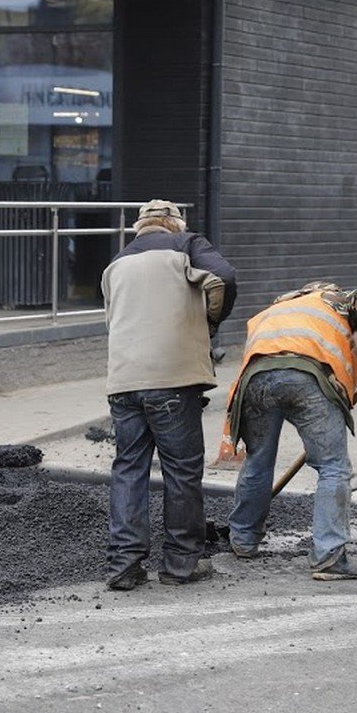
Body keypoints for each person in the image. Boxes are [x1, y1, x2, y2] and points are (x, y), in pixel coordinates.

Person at [101, 199, 237, 591]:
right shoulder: (186, 245)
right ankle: (180, 564)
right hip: (172, 380)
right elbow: (224, 278)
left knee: (129, 468)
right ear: (174, 225)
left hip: (124, 381)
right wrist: (209, 321)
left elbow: (114, 320)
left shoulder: (116, 264)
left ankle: (124, 565)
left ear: (138, 229)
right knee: (181, 471)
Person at [225, 282, 357, 580]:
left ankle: (242, 538)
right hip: (307, 376)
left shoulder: (277, 307)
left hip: (256, 378)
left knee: (258, 459)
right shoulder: (337, 298)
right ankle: (329, 556)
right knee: (333, 466)